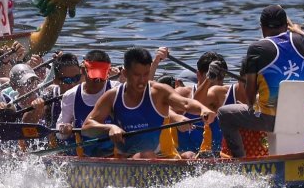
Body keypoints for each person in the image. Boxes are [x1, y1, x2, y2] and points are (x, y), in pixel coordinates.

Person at [218, 5, 304, 158]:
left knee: (224, 114)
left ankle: (240, 162)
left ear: (262, 28)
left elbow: (249, 91)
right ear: (285, 26)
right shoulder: (299, 41)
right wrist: (296, 29)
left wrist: (251, 105)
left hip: (272, 119)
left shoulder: (257, 48)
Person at [82, 47, 216, 159]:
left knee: (190, 156)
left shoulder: (159, 92)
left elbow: (186, 103)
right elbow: (86, 128)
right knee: (146, 155)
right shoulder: (112, 96)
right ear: (125, 73)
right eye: (136, 75)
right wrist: (110, 128)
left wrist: (203, 110)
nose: (142, 81)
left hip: (164, 157)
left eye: (146, 74)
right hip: (127, 159)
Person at [56, 50, 122, 155]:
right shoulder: (71, 95)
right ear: (83, 71)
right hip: (83, 154)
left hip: (112, 153)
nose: (97, 82)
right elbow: (59, 133)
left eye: (101, 78)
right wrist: (64, 128)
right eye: (94, 77)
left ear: (108, 73)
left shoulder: (117, 89)